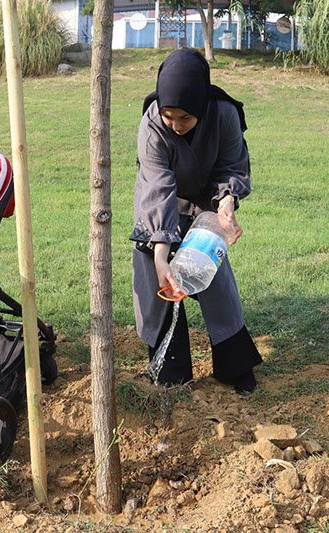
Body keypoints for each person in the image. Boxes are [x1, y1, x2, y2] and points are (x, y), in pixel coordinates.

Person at [130, 48, 262, 394]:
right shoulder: (153, 122)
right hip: (159, 202)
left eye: (184, 118)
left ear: (202, 105)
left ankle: (234, 365)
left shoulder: (225, 115)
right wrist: (161, 253)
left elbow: (233, 165)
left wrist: (227, 203)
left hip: (206, 200)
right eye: (169, 116)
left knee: (213, 275)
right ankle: (170, 369)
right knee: (157, 282)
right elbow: (158, 186)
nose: (175, 125)